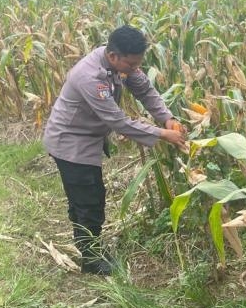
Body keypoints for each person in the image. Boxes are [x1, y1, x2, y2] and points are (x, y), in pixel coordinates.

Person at [43, 24, 187, 275]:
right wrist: (164, 134)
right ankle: (91, 260)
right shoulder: (89, 77)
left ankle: (88, 244)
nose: (135, 70)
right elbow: (118, 122)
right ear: (113, 56)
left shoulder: (121, 61)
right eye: (132, 65)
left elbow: (144, 89)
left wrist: (166, 117)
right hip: (70, 142)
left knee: (85, 199)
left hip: (87, 138)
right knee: (89, 202)